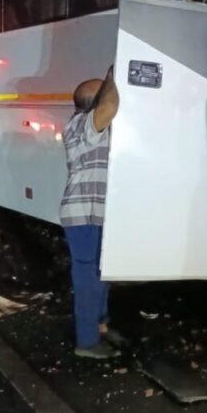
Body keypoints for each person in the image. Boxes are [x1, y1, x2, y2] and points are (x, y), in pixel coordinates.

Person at [60, 65, 123, 359]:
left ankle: (100, 326)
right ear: (92, 102)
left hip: (97, 213)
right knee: (88, 280)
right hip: (83, 216)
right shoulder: (81, 125)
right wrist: (114, 75)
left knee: (102, 273)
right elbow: (110, 104)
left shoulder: (94, 127)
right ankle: (86, 343)